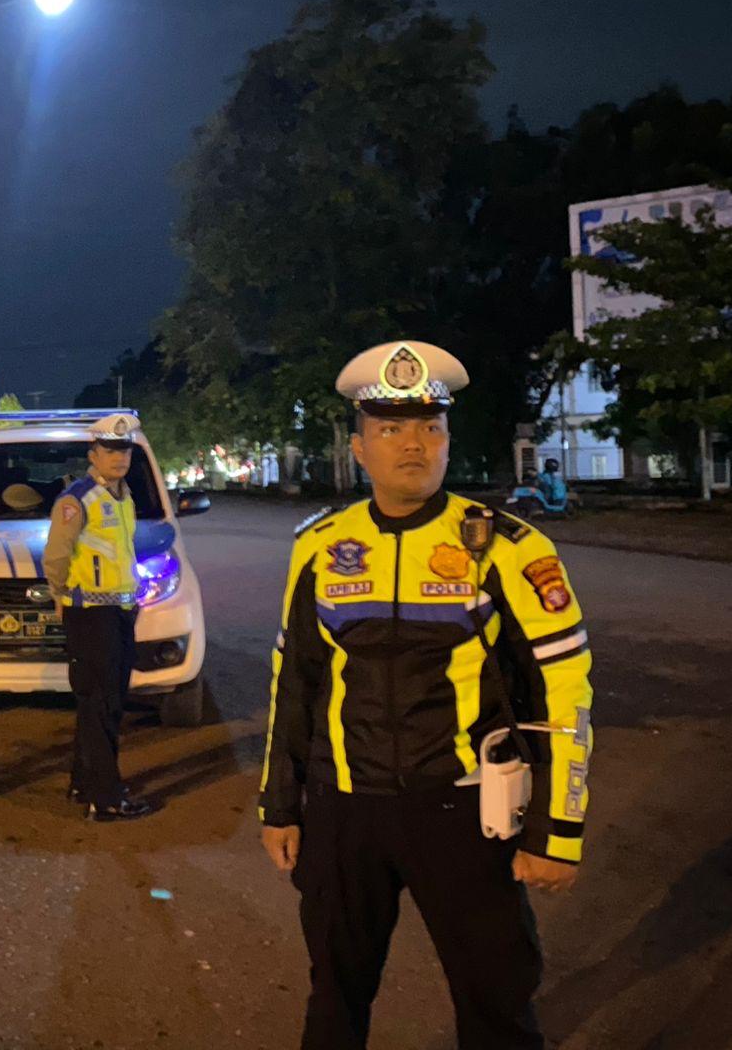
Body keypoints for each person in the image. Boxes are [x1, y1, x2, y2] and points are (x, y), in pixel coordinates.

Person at [260, 340, 594, 1050]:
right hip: (345, 813)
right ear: (359, 448)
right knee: (334, 996)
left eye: (429, 428)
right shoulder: (320, 546)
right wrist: (280, 805)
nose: (413, 444)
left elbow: (564, 692)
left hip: (464, 813)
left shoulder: (509, 548)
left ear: (447, 441)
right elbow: (296, 681)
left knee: (496, 1001)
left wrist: (557, 831)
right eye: (390, 428)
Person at [43, 413, 154, 821]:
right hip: (90, 614)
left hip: (119, 611)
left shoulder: (123, 496)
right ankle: (105, 798)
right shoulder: (78, 499)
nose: (120, 458)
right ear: (93, 454)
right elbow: (55, 556)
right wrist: (60, 594)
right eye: (110, 450)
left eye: (125, 451)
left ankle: (83, 781)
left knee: (104, 703)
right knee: (101, 704)